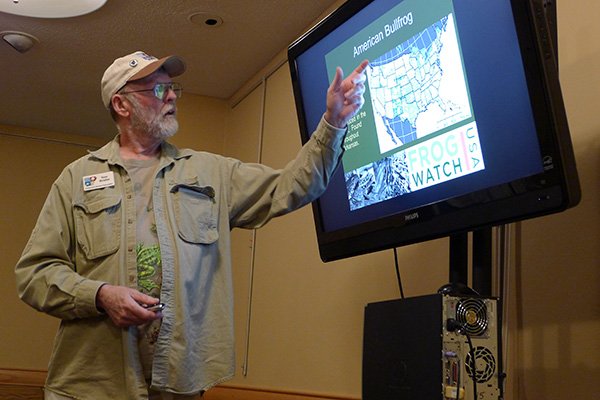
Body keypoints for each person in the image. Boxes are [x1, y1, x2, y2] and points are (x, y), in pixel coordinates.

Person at [15, 50, 368, 400]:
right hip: (92, 387)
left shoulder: (211, 173)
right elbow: (34, 273)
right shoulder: (77, 178)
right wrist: (100, 295)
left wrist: (333, 122)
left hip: (179, 385)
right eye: (157, 90)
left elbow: (291, 185)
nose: (171, 96)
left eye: (173, 89)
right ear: (121, 105)